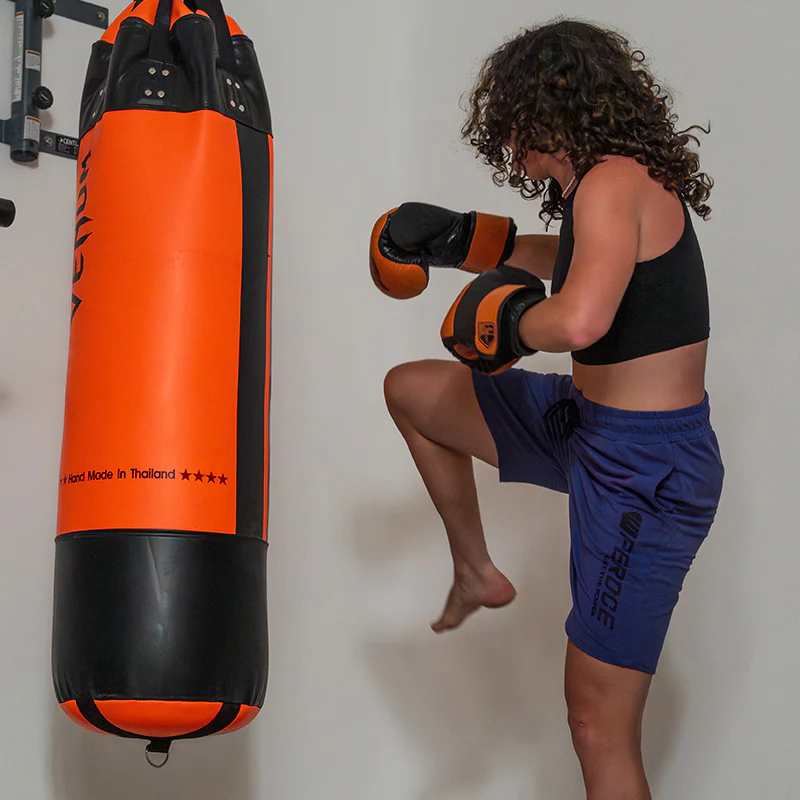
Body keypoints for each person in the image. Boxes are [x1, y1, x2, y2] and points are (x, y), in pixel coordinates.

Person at [370, 18, 725, 800]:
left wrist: (501, 325)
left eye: (511, 124)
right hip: (585, 425)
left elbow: (579, 319)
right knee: (414, 391)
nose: (510, 146)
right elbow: (566, 261)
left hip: (646, 472)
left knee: (598, 725)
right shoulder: (608, 185)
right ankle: (476, 571)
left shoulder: (612, 183)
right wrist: (458, 241)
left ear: (542, 111)